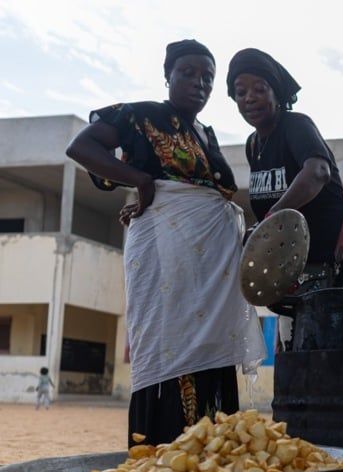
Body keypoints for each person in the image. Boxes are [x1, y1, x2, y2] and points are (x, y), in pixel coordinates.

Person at [66, 39, 266, 447]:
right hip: (169, 262)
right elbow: (82, 147)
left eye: (207, 78)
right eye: (188, 73)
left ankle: (211, 466)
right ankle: (165, 460)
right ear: (168, 76)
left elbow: (210, 194)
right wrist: (138, 181)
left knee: (212, 361)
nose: (199, 83)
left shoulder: (207, 135)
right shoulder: (143, 115)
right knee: (171, 353)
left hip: (212, 273)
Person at [226, 48, 343, 347]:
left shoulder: (295, 125)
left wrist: (270, 218)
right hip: (300, 276)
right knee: (300, 360)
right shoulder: (253, 145)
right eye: (240, 92)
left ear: (276, 92)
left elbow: (318, 172)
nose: (249, 98)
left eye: (260, 89)